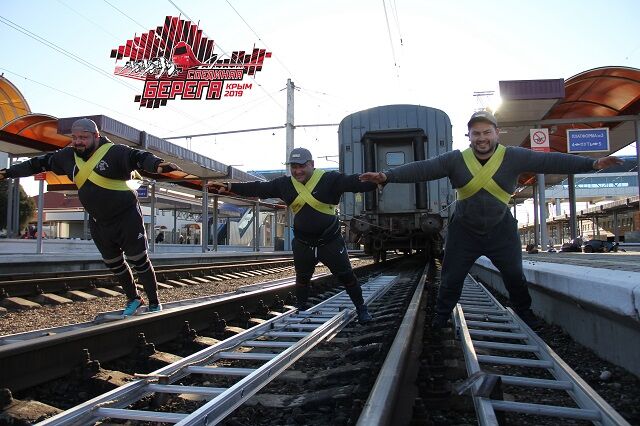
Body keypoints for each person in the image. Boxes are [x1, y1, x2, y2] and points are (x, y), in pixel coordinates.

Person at [359, 110, 623, 329]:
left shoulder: (514, 156)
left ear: (497, 133)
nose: (482, 138)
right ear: (469, 136)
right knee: (451, 277)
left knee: (514, 275)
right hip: (464, 231)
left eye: (487, 132)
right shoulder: (455, 160)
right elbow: (424, 168)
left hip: (501, 230)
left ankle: (524, 312)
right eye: (476, 133)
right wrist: (387, 176)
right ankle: (441, 316)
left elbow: (549, 161)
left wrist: (591, 164)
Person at [0, 118, 181, 316]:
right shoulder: (67, 156)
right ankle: (134, 299)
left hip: (126, 218)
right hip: (99, 222)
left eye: (84, 137)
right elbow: (38, 164)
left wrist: (157, 165)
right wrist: (8, 172)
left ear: (96, 136)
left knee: (139, 260)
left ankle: (154, 303)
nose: (78, 141)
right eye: (75, 137)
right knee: (114, 263)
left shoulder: (115, 152)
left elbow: (138, 157)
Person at [212, 147, 377, 324]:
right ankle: (301, 309)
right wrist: (230, 186)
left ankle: (362, 309)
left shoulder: (330, 179)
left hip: (330, 241)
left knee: (347, 276)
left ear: (311, 164)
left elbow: (353, 182)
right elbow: (260, 188)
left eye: (302, 166)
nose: (297, 171)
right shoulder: (284, 184)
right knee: (302, 278)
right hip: (303, 242)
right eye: (294, 167)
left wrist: (379, 180)